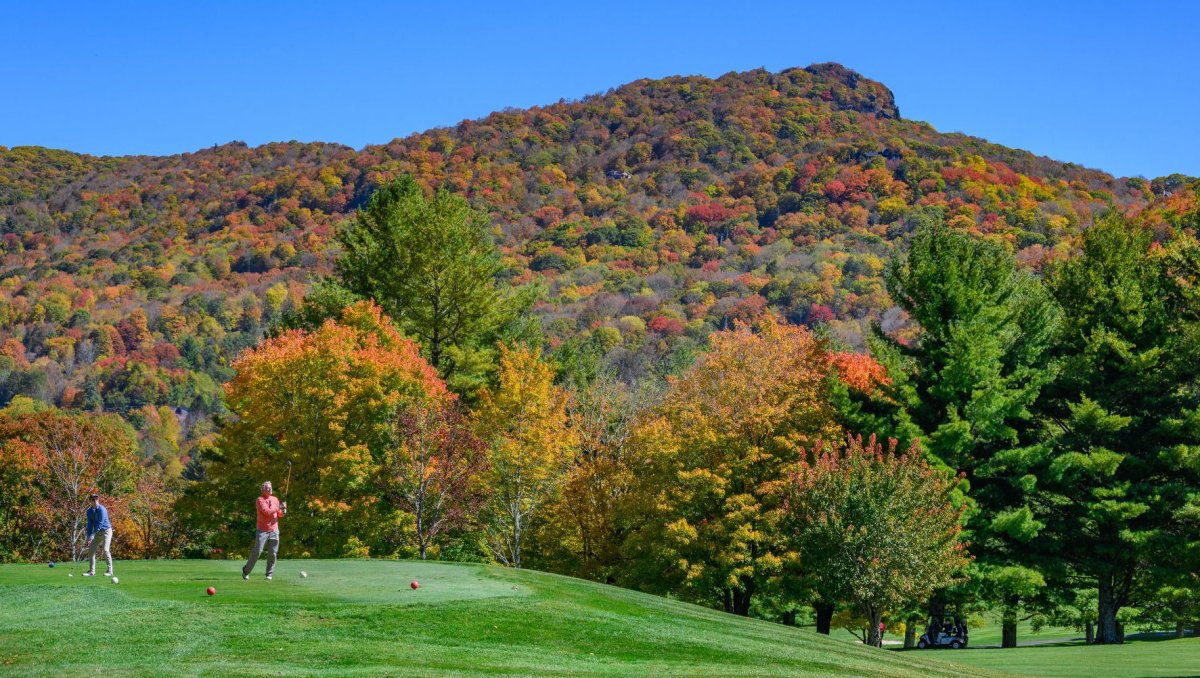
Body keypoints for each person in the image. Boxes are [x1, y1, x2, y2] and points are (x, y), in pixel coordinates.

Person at [242, 481, 286, 580]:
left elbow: (279, 514)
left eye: (270, 487)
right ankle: (246, 570)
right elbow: (267, 512)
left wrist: (283, 510)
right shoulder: (259, 500)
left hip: (274, 530)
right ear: (263, 490)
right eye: (267, 488)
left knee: (273, 553)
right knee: (257, 551)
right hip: (262, 530)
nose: (269, 489)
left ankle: (269, 574)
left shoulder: (275, 499)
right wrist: (279, 507)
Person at [84, 493, 113, 577]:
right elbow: (90, 524)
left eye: (96, 499)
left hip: (106, 531)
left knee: (105, 549)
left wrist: (93, 534)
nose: (95, 501)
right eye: (93, 499)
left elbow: (100, 524)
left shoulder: (102, 509)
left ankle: (110, 571)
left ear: (98, 500)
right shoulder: (89, 511)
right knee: (91, 550)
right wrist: (88, 536)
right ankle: (91, 572)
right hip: (97, 533)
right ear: (90, 501)